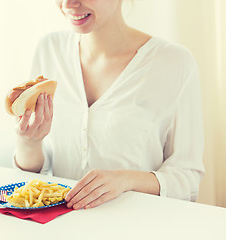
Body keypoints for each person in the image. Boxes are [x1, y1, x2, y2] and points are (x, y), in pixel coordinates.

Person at [12, 0, 205, 209]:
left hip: (139, 225)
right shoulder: (49, 49)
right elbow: (37, 174)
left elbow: (187, 178)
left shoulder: (174, 62)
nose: (68, 4)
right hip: (62, 227)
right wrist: (29, 143)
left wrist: (126, 180)